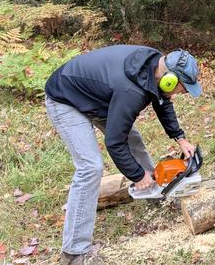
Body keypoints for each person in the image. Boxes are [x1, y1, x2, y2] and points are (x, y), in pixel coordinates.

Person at [45, 45, 202, 265]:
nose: (182, 93)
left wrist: (180, 137)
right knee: (90, 166)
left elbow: (162, 100)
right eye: (183, 88)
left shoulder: (154, 67)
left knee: (134, 140)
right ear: (170, 80)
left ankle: (157, 196)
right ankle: (74, 253)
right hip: (65, 99)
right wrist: (137, 175)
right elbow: (114, 142)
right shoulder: (131, 90)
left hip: (98, 96)